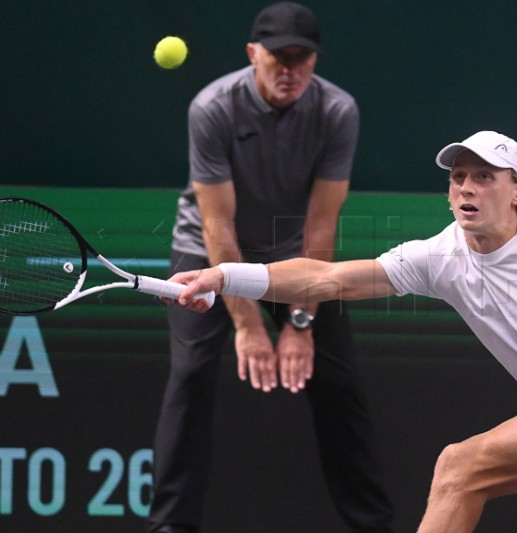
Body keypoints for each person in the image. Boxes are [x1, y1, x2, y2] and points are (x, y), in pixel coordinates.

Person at [166, 130, 517, 533]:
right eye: (458, 176)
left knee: (460, 469)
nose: (466, 186)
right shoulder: (441, 256)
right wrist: (225, 274)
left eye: (484, 177)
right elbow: (326, 278)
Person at [147, 2, 394, 532]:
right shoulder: (212, 107)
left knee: (339, 384)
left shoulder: (337, 110)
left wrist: (300, 321)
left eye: (302, 58)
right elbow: (218, 226)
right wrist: (248, 324)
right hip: (207, 251)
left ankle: (371, 526)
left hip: (295, 256)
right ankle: (170, 526)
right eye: (279, 57)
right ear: (252, 54)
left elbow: (322, 225)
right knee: (190, 376)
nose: (291, 70)